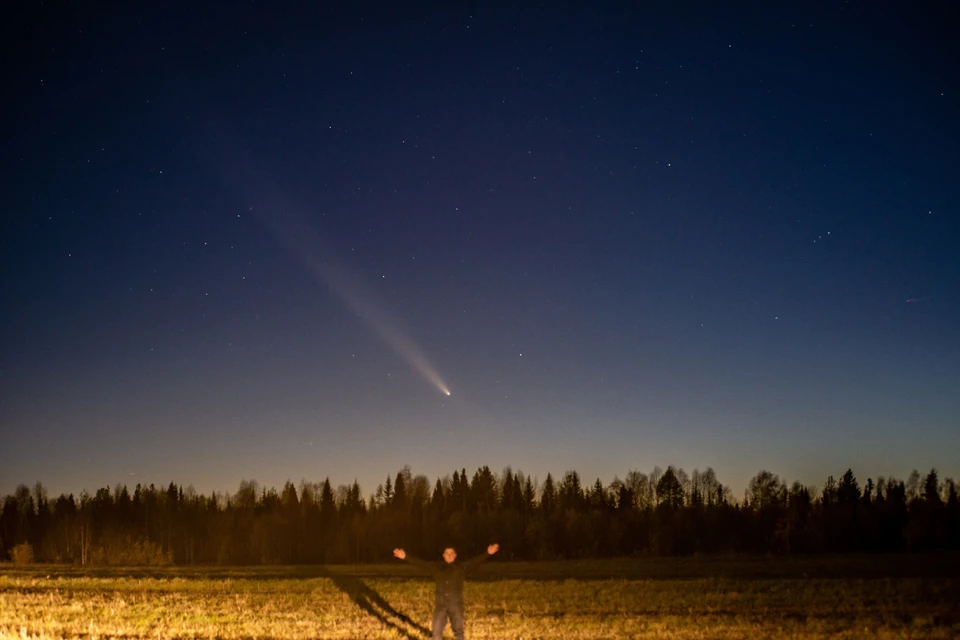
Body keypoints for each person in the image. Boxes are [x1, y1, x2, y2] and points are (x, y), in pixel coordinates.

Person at [393, 543, 499, 640]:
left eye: (452, 553)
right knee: (436, 633)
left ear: (455, 555)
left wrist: (488, 553)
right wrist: (406, 557)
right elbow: (421, 563)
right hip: (441, 605)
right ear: (443, 555)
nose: (449, 555)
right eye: (447, 553)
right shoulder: (436, 567)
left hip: (456, 605)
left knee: (459, 632)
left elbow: (475, 562)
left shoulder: (461, 568)